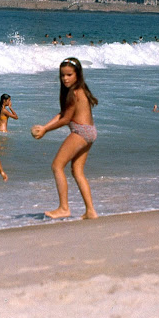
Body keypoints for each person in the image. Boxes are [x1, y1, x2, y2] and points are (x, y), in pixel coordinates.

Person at [31, 57, 98, 220]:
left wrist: (45, 129)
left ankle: (64, 208)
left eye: (69, 75)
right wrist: (45, 126)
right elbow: (62, 114)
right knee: (77, 171)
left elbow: (66, 119)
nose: (65, 78)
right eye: (62, 75)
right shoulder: (80, 90)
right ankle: (90, 211)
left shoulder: (75, 92)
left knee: (57, 166)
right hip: (90, 132)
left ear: (77, 75)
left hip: (80, 132)